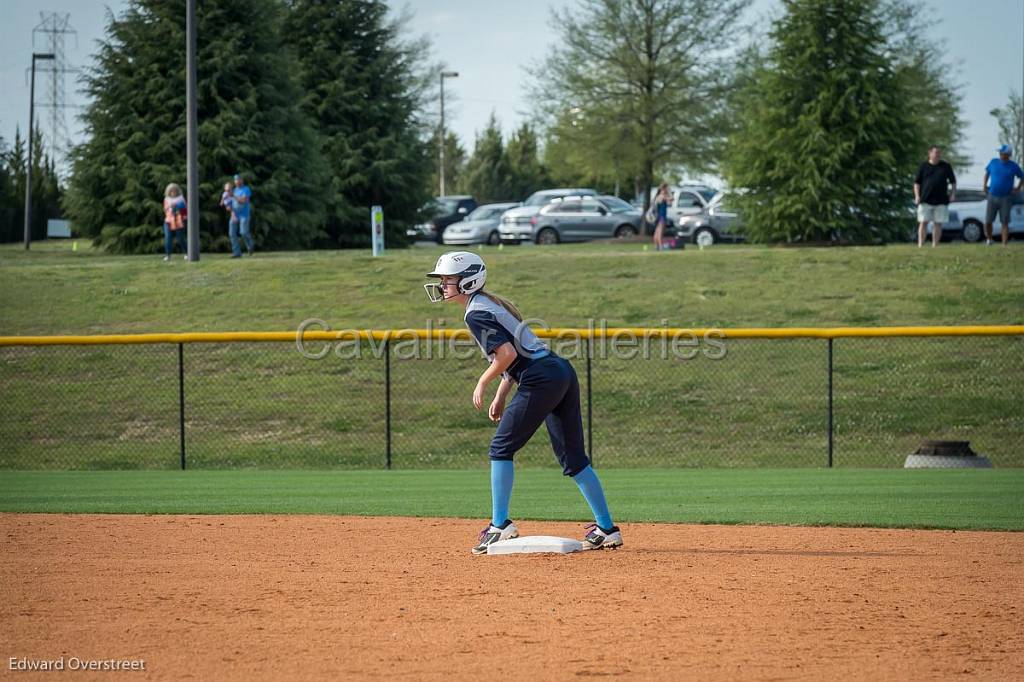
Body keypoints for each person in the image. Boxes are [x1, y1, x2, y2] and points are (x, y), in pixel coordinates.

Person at [424, 252, 622, 555]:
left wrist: (482, 381)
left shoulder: (476, 312)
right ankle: (607, 529)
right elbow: (514, 357)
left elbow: (507, 355)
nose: (443, 284)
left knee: (500, 448)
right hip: (559, 371)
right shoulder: (488, 305)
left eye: (448, 279)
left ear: (468, 280)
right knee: (574, 459)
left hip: (541, 377)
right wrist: (502, 394)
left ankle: (500, 525)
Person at [913, 146, 957, 248]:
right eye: (935, 152)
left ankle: (935, 245)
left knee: (938, 223)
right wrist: (917, 196)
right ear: (930, 153)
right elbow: (916, 183)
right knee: (923, 222)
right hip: (925, 199)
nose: (937, 155)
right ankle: (920, 244)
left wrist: (952, 194)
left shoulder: (945, 166)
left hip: (941, 200)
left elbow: (953, 182)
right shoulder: (923, 166)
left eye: (939, 153)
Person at [983, 144, 1024, 245]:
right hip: (992, 195)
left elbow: (1022, 177)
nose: (1000, 154)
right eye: (1000, 152)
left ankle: (1004, 244)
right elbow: (987, 173)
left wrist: (1018, 188)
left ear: (1008, 154)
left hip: (1006, 197)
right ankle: (989, 239)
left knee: (1004, 222)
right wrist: (984, 185)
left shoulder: (1013, 166)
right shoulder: (993, 162)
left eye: (1003, 153)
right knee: (988, 221)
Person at [229, 173, 254, 258]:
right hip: (234, 215)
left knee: (243, 232)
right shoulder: (234, 190)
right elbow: (230, 204)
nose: (237, 181)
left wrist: (234, 196)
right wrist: (233, 215)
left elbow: (243, 201)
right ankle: (237, 253)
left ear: (241, 180)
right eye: (235, 180)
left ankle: (250, 246)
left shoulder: (246, 189)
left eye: (238, 179)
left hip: (244, 215)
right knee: (232, 233)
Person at [162, 183, 187, 262]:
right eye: (171, 191)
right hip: (169, 220)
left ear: (177, 191)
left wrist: (178, 209)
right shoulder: (166, 199)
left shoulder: (181, 199)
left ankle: (187, 253)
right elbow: (165, 209)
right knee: (168, 238)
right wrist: (170, 209)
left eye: (174, 191)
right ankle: (168, 255)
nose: (173, 192)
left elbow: (185, 209)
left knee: (181, 238)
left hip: (179, 221)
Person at [653, 183, 671, 251]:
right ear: (664, 188)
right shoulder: (662, 196)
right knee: (660, 231)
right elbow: (672, 199)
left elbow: (669, 203)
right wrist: (669, 192)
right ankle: (660, 246)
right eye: (667, 188)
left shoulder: (659, 196)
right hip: (662, 216)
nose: (668, 189)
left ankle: (656, 246)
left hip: (660, 216)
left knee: (657, 231)